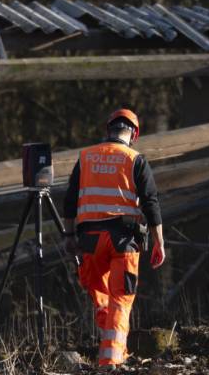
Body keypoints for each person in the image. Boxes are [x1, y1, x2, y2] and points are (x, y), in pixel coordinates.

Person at [63, 108, 165, 368]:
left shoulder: (85, 157)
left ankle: (117, 350)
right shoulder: (135, 159)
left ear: (108, 129)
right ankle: (110, 362)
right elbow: (151, 203)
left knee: (100, 294)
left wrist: (69, 235)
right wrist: (159, 242)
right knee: (120, 298)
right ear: (134, 134)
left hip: (90, 241)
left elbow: (70, 199)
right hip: (124, 241)